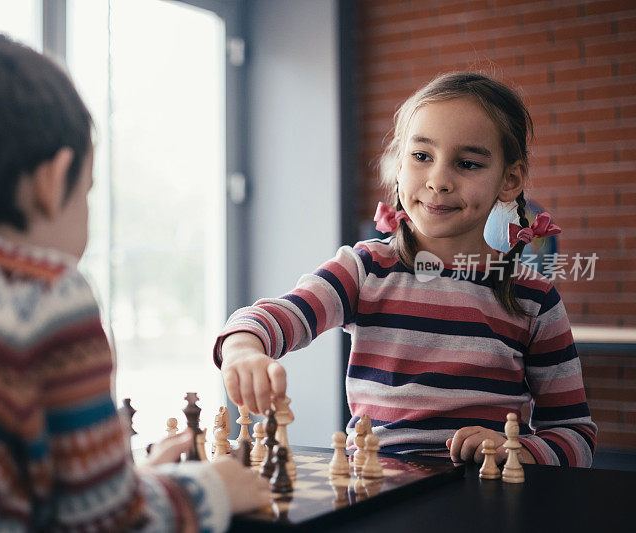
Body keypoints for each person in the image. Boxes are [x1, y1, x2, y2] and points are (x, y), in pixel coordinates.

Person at [0, 32, 269, 532]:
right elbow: (113, 526)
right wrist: (212, 486)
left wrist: (135, 480)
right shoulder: (44, 297)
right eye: (85, 192)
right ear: (51, 181)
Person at [214, 72, 597, 468]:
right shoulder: (363, 270)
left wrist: (517, 450)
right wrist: (243, 347)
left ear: (510, 179)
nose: (438, 181)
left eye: (467, 163)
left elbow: (576, 438)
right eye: (421, 156)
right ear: (399, 164)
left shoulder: (534, 297)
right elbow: (281, 314)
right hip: (376, 493)